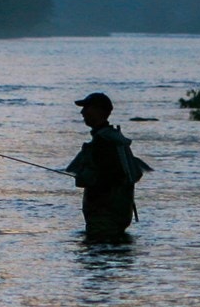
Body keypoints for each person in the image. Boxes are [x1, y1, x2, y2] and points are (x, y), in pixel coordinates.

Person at [64, 92, 149, 242]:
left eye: (87, 108)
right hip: (118, 215)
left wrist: (82, 176)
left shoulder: (103, 143)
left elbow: (104, 178)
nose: (82, 112)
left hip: (105, 218)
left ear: (99, 111)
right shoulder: (115, 139)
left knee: (97, 256)